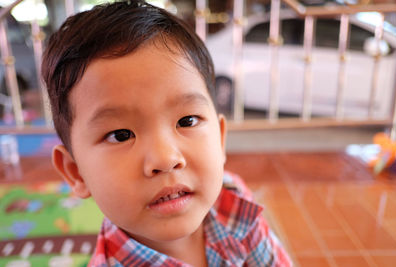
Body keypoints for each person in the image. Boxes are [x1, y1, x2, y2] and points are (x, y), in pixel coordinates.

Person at [41, 1, 292, 266]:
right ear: (76, 172)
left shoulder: (233, 198)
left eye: (187, 120)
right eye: (121, 135)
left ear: (220, 139)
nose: (165, 159)